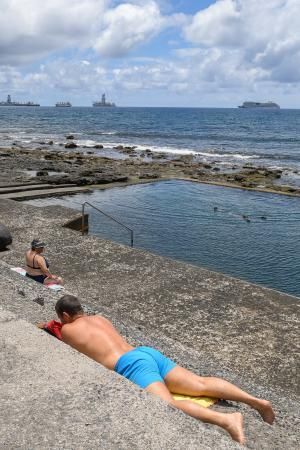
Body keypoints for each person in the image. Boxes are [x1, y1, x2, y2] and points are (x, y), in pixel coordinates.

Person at [38, 295, 275, 444]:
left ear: (65, 316)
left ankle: (228, 420)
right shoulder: (100, 318)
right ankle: (255, 400)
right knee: (200, 384)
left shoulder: (67, 329)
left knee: (167, 404)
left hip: (130, 365)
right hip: (145, 353)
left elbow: (56, 334)